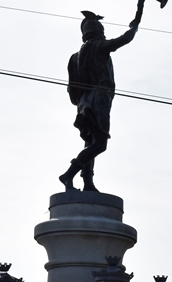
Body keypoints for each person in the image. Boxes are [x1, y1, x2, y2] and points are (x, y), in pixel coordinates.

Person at [59, 1, 145, 192]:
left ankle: (87, 183)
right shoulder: (99, 46)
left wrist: (82, 102)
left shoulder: (74, 57)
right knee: (100, 144)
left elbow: (72, 90)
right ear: (97, 30)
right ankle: (68, 174)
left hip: (83, 102)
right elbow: (126, 38)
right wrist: (136, 22)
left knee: (90, 142)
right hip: (100, 97)